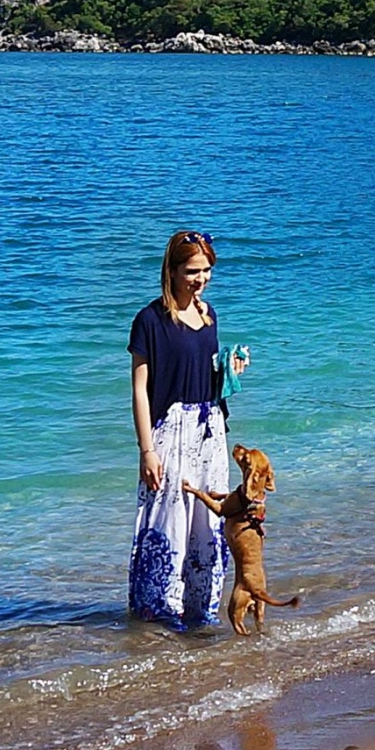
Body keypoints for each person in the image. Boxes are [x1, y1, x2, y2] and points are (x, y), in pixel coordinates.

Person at [128, 228, 248, 630]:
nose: (202, 278)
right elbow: (140, 390)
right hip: (171, 431)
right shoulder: (149, 321)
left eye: (208, 270)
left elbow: (206, 374)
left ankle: (200, 612)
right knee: (167, 522)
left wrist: (229, 372)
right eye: (194, 271)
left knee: (206, 522)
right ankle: (158, 614)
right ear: (173, 270)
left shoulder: (209, 314)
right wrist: (147, 450)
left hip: (210, 429)